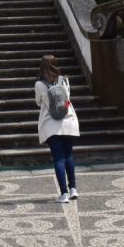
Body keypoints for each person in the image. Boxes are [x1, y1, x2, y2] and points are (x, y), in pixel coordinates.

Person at [35, 54, 80, 202]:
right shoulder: (64, 80)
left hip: (51, 124)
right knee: (69, 155)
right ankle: (73, 188)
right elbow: (67, 99)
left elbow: (38, 102)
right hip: (69, 122)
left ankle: (64, 193)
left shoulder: (40, 84)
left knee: (59, 158)